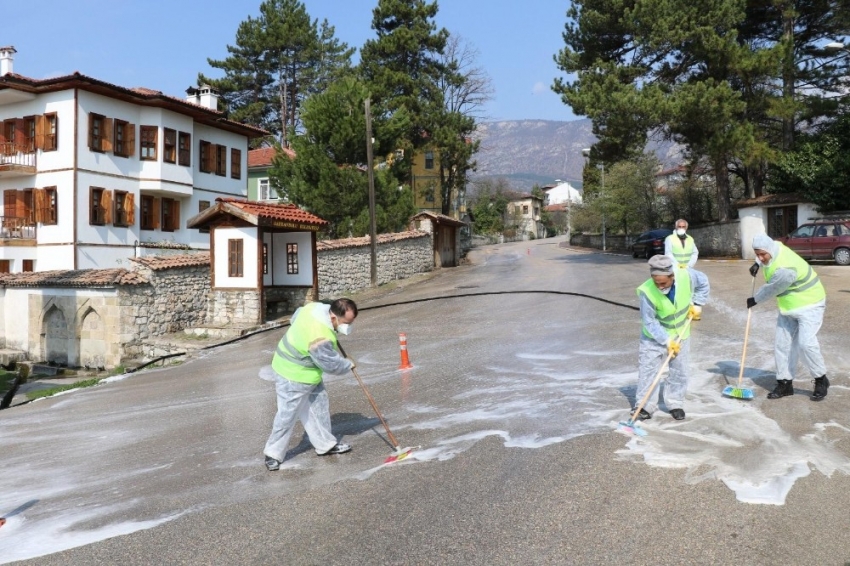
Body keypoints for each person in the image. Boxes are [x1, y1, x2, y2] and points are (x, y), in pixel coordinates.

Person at [262, 298, 358, 471]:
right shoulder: (320, 336)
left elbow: (295, 317)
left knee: (318, 408)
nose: (347, 327)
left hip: (309, 372)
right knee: (287, 414)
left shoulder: (315, 308)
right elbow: (330, 365)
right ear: (334, 317)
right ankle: (272, 454)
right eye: (346, 323)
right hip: (291, 372)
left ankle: (325, 445)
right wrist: (347, 364)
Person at [747, 234, 829, 401]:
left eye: (763, 255)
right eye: (758, 254)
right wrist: (756, 263)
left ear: (769, 250)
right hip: (789, 306)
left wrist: (755, 299)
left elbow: (772, 288)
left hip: (810, 304)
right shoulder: (774, 246)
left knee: (805, 344)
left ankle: (821, 379)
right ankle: (785, 384)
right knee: (782, 344)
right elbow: (767, 249)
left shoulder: (785, 269)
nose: (761, 257)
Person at [633, 254, 710, 421]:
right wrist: (667, 340)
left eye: (663, 283)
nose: (660, 287)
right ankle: (645, 406)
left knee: (679, 370)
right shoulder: (647, 291)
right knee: (649, 371)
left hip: (681, 332)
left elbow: (703, 282)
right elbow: (649, 321)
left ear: (672, 276)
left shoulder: (686, 276)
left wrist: (697, 303)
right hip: (653, 337)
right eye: (656, 282)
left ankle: (675, 403)